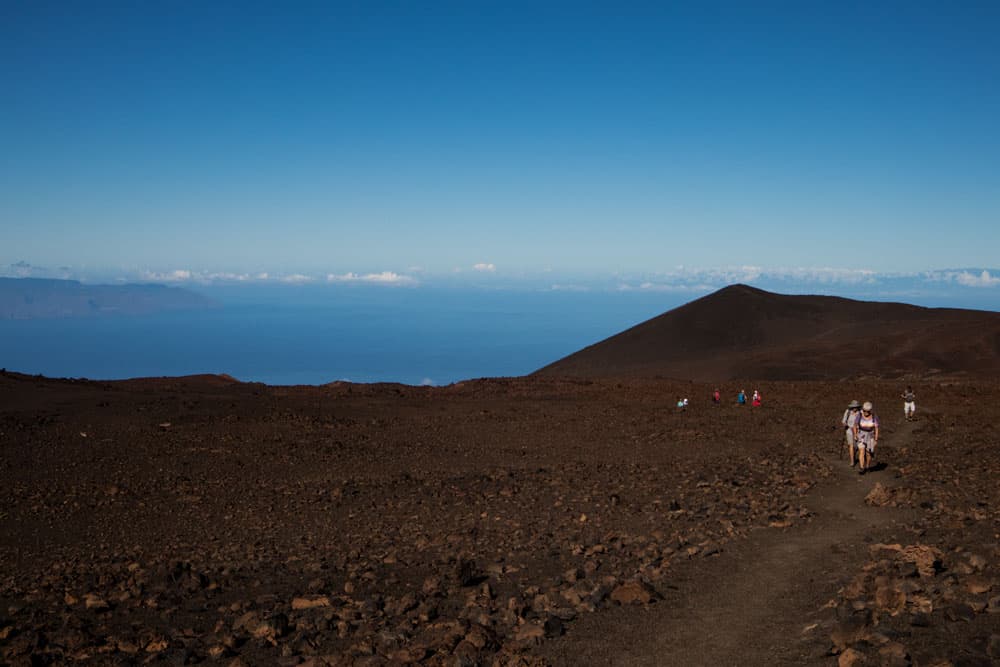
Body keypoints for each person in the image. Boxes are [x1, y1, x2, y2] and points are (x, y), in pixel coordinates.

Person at [853, 401, 879, 474]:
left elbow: (876, 428)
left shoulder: (874, 416)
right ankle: (861, 467)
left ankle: (867, 466)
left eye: (867, 411)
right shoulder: (860, 415)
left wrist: (876, 439)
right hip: (861, 435)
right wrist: (855, 434)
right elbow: (855, 425)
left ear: (870, 411)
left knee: (868, 453)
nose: (865, 413)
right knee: (862, 450)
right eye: (864, 411)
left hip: (870, 436)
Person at [841, 400, 862, 465]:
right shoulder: (848, 412)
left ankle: (858, 458)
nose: (854, 408)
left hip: (859, 431)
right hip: (849, 431)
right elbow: (843, 421)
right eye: (853, 407)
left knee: (858, 447)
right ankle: (852, 461)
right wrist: (845, 424)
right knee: (851, 445)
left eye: (856, 407)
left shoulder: (861, 412)